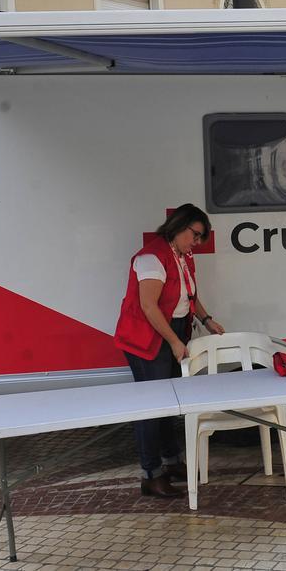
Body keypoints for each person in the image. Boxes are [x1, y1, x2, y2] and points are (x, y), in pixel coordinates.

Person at [113, 204, 225, 498]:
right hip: (148, 338)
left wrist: (206, 319)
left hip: (172, 332)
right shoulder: (151, 258)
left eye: (200, 238)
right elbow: (149, 306)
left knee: (170, 401)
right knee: (152, 406)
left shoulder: (182, 255)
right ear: (179, 225)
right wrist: (174, 342)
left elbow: (190, 294)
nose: (197, 244)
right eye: (196, 235)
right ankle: (151, 474)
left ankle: (171, 461)